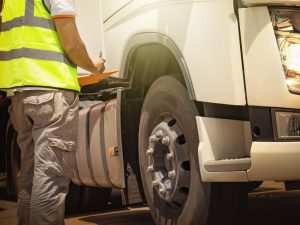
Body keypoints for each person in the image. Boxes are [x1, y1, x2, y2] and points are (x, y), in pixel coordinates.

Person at [0, 0, 105, 224]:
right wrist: (93, 67)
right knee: (49, 178)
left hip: (20, 94)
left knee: (30, 177)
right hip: (51, 94)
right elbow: (72, 43)